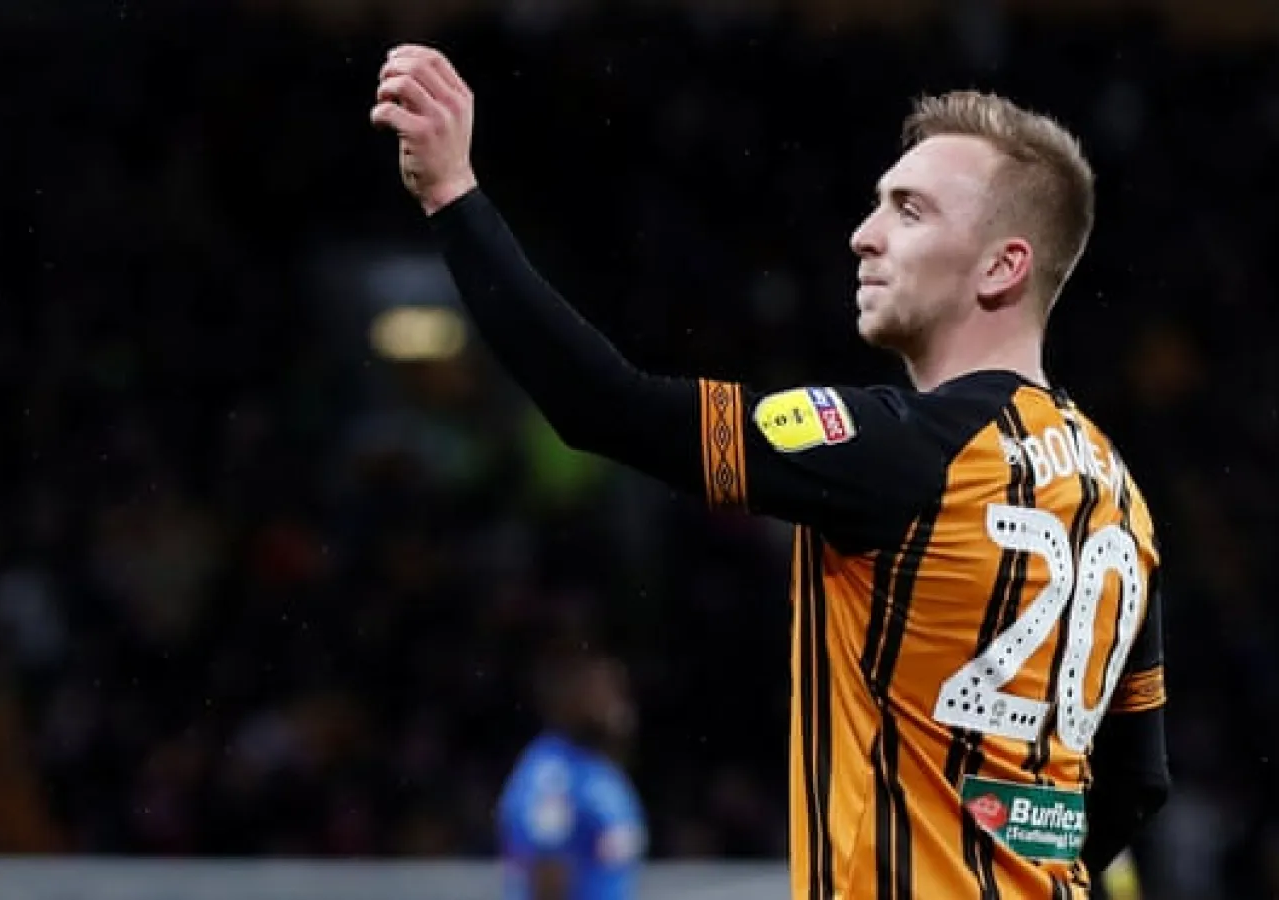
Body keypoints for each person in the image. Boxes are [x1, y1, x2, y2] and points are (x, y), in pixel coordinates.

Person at [371, 44, 1170, 899]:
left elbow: (604, 405)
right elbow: (1133, 784)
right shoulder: (1119, 497)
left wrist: (453, 196)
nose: (864, 234)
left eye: (910, 210)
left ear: (1002, 266)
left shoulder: (905, 450)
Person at [497, 647, 647, 900]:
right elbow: (546, 874)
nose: (616, 704)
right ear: (570, 697)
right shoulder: (553, 776)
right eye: (602, 691)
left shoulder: (600, 769)